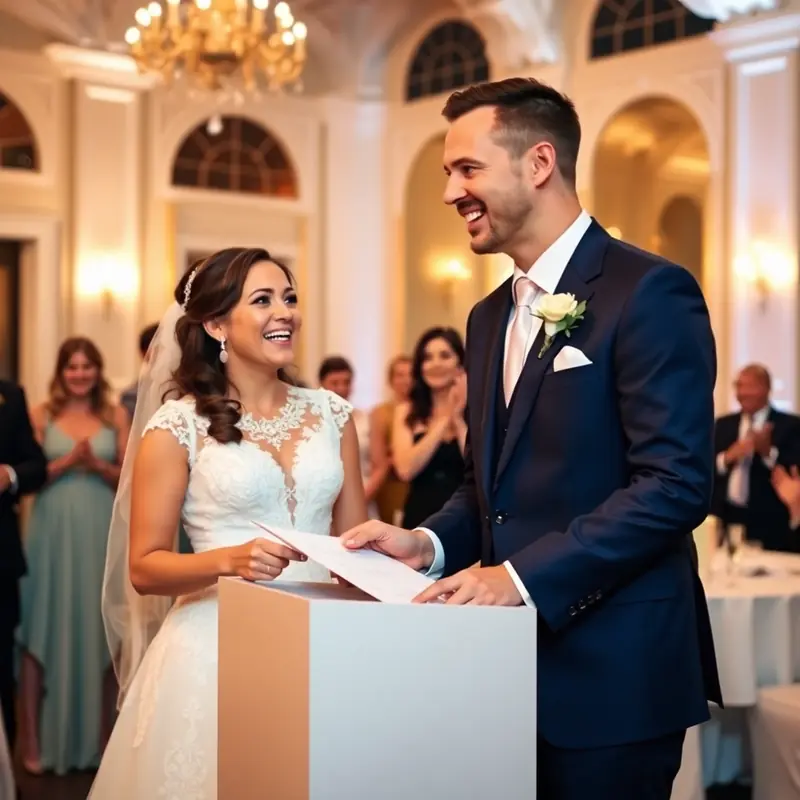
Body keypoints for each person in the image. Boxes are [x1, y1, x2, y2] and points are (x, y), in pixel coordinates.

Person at [341, 77, 721, 800]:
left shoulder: (649, 292)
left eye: (466, 169)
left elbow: (674, 487)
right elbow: (489, 482)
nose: (451, 192)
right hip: (502, 674)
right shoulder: (487, 318)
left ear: (539, 163)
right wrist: (428, 543)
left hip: (615, 674)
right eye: (448, 174)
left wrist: (515, 580)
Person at [88, 247, 366, 799]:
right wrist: (229, 562)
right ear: (216, 323)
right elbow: (145, 567)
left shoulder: (333, 414)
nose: (283, 312)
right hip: (215, 649)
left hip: (324, 644)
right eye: (262, 300)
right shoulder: (177, 425)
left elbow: (355, 548)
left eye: (289, 298)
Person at [18, 338, 129, 774]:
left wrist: (97, 466)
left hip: (98, 531)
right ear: (61, 372)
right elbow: (28, 475)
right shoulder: (40, 414)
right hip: (50, 532)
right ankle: (32, 739)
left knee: (101, 630)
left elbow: (129, 477)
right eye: (72, 367)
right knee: (39, 626)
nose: (80, 374)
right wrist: (67, 462)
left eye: (87, 366)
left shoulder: (114, 415)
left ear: (98, 371)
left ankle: (101, 741)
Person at [0, 380, 47, 752]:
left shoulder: (10, 395)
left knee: (2, 670)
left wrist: (10, 476)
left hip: (0, 561)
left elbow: (36, 466)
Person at [712, 364, 800, 552]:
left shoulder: (790, 425)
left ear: (766, 389)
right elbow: (705, 468)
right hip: (726, 517)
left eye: (749, 387)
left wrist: (767, 452)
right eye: (739, 386)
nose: (742, 393)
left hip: (770, 525)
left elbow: (793, 475)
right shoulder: (723, 424)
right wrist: (728, 457)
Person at [392, 328, 466, 529]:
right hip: (419, 517)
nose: (435, 364)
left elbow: (477, 467)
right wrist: (445, 420)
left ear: (460, 363)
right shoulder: (406, 411)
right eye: (427, 358)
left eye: (444, 356)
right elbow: (405, 470)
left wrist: (458, 419)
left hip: (465, 517)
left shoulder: (476, 411)